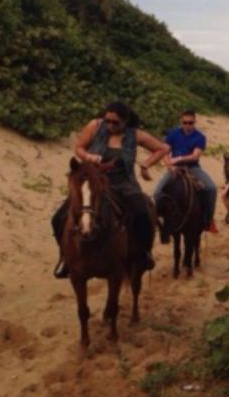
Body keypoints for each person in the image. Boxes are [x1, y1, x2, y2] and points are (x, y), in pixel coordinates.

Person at [51, 101, 170, 278]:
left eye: (116, 123)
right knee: (58, 217)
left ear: (126, 121)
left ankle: (143, 254)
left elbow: (164, 148)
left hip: (123, 183)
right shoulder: (95, 125)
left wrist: (146, 165)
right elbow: (79, 147)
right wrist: (87, 156)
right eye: (108, 120)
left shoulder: (135, 135)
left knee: (143, 214)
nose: (110, 125)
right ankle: (65, 258)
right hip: (93, 183)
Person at [153, 110, 219, 233]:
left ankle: (208, 220)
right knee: (157, 192)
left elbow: (195, 156)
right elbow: (164, 151)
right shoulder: (173, 134)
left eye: (190, 123)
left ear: (195, 122)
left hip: (192, 168)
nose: (187, 126)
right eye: (185, 123)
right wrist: (169, 165)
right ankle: (160, 219)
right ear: (181, 122)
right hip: (174, 168)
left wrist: (178, 158)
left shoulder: (200, 137)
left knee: (211, 188)